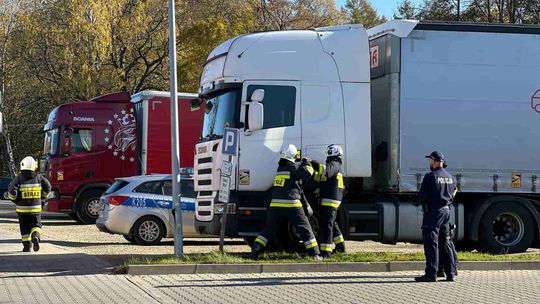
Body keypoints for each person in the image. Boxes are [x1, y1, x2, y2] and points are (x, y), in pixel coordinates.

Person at [251, 144, 321, 260]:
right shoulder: (292, 166)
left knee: (268, 229)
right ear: (293, 156)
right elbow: (307, 174)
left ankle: (255, 251)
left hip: (275, 205)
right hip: (292, 204)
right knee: (304, 228)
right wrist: (306, 163)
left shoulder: (281, 168)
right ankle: (315, 254)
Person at [415, 151, 457, 282]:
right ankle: (450, 273)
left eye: (430, 161)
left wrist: (416, 202)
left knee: (431, 242)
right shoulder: (451, 177)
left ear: (434, 161)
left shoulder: (430, 177)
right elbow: (454, 192)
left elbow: (422, 196)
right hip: (446, 211)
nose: (429, 163)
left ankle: (431, 273)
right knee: (445, 242)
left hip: (433, 213)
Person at [7, 156, 51, 252]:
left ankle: (27, 247)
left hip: (22, 210)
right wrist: (43, 197)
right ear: (34, 167)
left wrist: (15, 199)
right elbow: (48, 186)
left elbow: (11, 191)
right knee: (36, 225)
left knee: (24, 228)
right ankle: (35, 236)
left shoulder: (18, 178)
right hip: (35, 209)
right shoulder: (39, 177)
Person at [311, 144, 346, 258]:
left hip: (330, 200)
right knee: (332, 223)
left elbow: (325, 171)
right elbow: (320, 177)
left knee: (327, 225)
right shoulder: (333, 164)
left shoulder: (334, 164)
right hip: (330, 199)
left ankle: (326, 253)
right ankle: (341, 247)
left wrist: (313, 163)